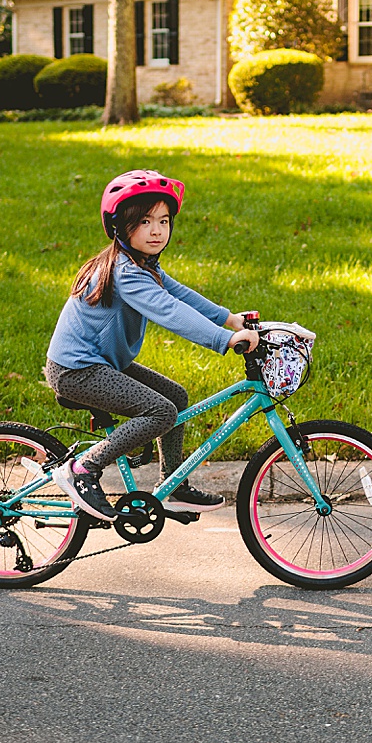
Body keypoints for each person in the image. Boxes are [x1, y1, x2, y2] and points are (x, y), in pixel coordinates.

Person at [44, 169, 259, 522]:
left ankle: (173, 485)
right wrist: (226, 340)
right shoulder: (126, 273)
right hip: (77, 370)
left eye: (163, 220)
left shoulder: (142, 264)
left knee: (175, 397)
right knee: (161, 412)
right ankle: (83, 469)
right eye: (145, 221)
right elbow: (169, 311)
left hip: (102, 363)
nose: (157, 230)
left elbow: (178, 294)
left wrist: (228, 318)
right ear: (120, 227)